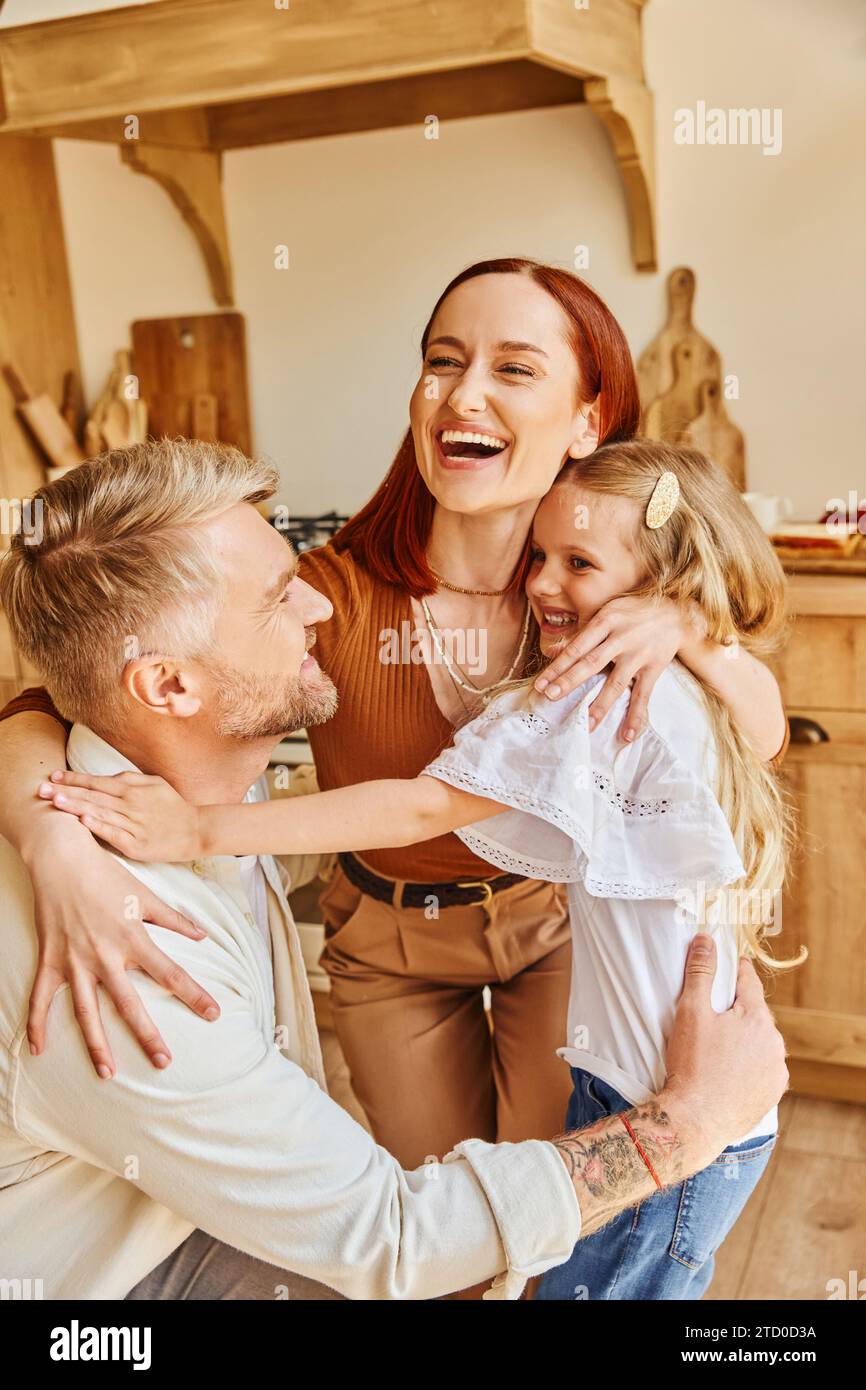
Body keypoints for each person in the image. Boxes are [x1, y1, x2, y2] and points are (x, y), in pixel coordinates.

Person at [0, 260, 788, 1179]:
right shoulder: (325, 595)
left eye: (515, 369)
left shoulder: (603, 600)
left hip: (553, 931)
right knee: (445, 1218)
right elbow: (52, 697)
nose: (466, 394)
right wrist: (48, 841)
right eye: (444, 361)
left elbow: (761, 738)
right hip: (389, 942)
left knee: (553, 1218)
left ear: (590, 419)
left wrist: (693, 630)